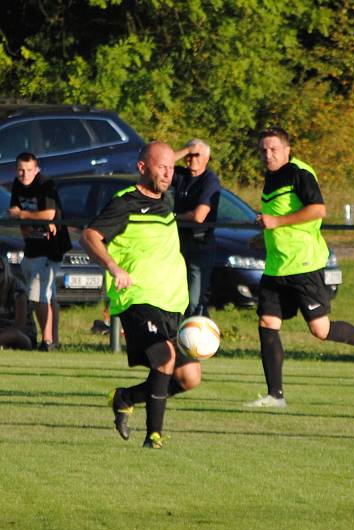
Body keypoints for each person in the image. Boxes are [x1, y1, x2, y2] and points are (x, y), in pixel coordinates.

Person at [245, 126, 354, 409]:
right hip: (277, 265)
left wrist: (276, 223)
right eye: (263, 150)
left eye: (274, 149)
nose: (268, 155)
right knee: (267, 323)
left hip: (304, 264)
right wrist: (264, 234)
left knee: (320, 330)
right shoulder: (271, 176)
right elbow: (279, 215)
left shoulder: (299, 172)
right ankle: (275, 396)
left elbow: (318, 210)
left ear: (288, 150)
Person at [81, 141, 203, 448]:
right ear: (142, 169)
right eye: (161, 168)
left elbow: (163, 162)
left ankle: (126, 397)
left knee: (190, 377)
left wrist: (188, 149)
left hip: (172, 301)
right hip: (137, 297)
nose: (167, 173)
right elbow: (90, 235)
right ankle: (154, 436)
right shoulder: (125, 203)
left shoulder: (166, 198)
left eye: (170, 168)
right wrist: (113, 266)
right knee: (164, 356)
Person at [8, 152, 61, 351]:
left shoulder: (45, 184)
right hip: (31, 246)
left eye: (29, 170)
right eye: (21, 170)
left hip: (50, 247)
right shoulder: (17, 184)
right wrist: (23, 220)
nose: (25, 174)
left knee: (39, 296)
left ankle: (46, 341)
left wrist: (23, 214)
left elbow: (49, 214)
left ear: (36, 169)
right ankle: (53, 340)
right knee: (48, 296)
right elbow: (12, 211)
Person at [172, 138, 221, 317]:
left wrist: (175, 217)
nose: (191, 159)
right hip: (179, 244)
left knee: (195, 300)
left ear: (206, 158)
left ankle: (199, 340)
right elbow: (160, 164)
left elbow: (199, 216)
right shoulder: (181, 176)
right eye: (189, 155)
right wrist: (185, 149)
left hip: (200, 244)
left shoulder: (210, 181)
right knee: (177, 296)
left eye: (196, 155)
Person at [0, 254, 36, 350]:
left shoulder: (17, 290)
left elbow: (20, 325)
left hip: (22, 335)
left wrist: (4, 331)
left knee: (11, 335)